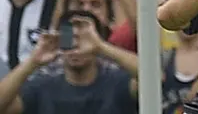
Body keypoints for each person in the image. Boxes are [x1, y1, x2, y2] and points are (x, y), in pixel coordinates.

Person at [0, 10, 139, 114]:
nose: (75, 46)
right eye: (68, 38)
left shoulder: (118, 83)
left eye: (83, 39)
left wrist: (101, 47)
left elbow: (153, 77)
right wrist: (32, 61)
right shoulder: (40, 88)